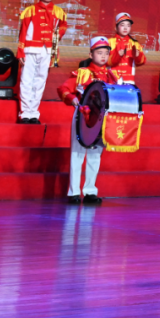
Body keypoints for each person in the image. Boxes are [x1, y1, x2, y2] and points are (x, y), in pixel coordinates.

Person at [58, 36, 120, 205]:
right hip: (83, 116)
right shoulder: (82, 72)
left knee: (95, 154)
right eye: (99, 53)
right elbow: (63, 89)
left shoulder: (112, 75)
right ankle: (74, 192)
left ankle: (90, 191)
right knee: (77, 154)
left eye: (106, 53)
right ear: (91, 54)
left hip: (101, 119)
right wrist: (72, 98)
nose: (103, 56)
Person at [16, 0, 67, 124]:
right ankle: (24, 113)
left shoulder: (59, 11)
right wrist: (20, 51)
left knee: (40, 82)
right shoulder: (30, 10)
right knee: (26, 81)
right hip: (30, 49)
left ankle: (34, 113)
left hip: (47, 50)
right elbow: (23, 32)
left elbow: (63, 26)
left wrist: (57, 35)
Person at [108, 13, 147, 85]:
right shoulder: (109, 42)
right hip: (112, 79)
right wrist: (117, 55)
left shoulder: (134, 43)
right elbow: (105, 62)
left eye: (128, 25)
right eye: (122, 25)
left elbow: (142, 62)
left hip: (129, 80)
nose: (125, 28)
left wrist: (137, 56)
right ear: (116, 27)